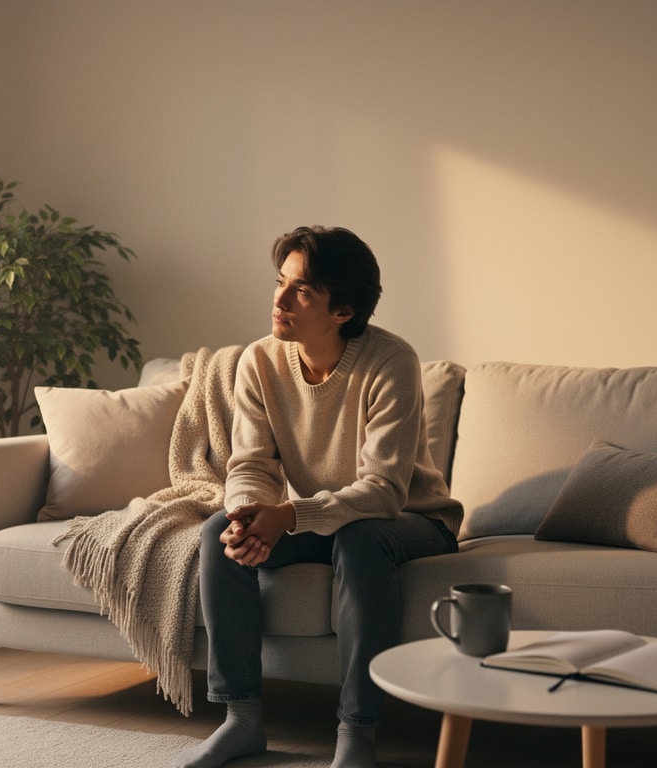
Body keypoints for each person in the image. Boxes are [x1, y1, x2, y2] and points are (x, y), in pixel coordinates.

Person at [176, 226, 463, 768]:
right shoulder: (259, 362)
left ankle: (357, 734)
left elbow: (382, 491)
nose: (279, 300)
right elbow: (251, 465)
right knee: (218, 533)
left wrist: (289, 514)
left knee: (359, 539)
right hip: (326, 517)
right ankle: (242, 720)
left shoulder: (391, 362)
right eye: (280, 282)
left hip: (412, 519)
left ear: (343, 311)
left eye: (302, 291)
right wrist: (247, 512)